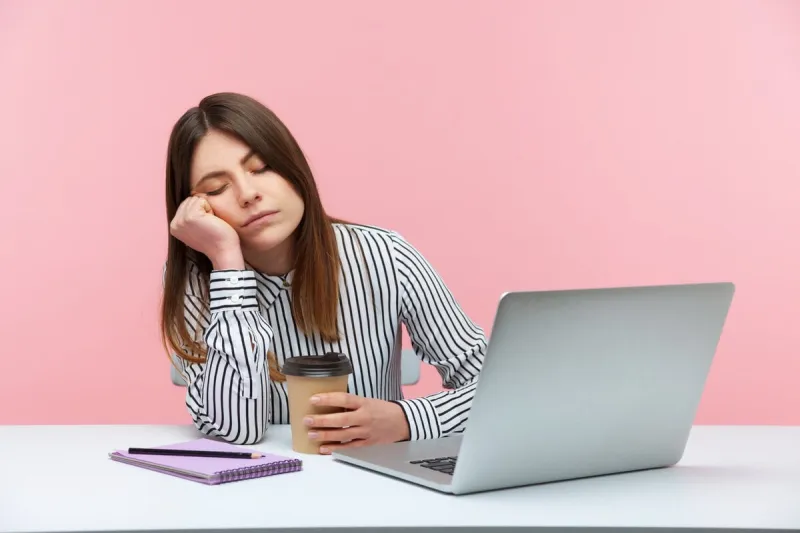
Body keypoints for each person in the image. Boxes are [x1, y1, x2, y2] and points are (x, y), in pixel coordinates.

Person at [161, 92, 487, 449]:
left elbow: (498, 387)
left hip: (376, 487)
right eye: (216, 188)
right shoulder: (197, 282)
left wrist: (407, 420)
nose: (248, 193)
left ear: (292, 166)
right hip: (261, 493)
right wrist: (227, 264)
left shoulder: (385, 256)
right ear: (193, 208)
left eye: (261, 168)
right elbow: (236, 430)